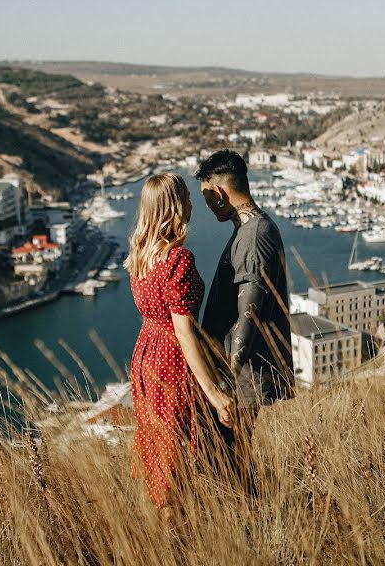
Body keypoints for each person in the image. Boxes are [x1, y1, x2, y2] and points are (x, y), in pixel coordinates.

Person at [124, 173, 234, 510]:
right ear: (175, 207)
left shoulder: (140, 255)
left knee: (160, 449)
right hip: (171, 358)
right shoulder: (177, 259)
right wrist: (215, 395)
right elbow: (184, 330)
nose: (191, 203)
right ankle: (178, 529)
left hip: (145, 354)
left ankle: (164, 523)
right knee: (178, 450)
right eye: (187, 196)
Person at [195, 149, 295, 490]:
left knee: (231, 460)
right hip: (239, 377)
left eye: (207, 197)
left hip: (241, 379)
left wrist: (226, 381)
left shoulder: (253, 235)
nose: (207, 207)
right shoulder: (252, 229)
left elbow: (247, 315)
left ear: (220, 193)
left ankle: (247, 522)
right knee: (232, 457)